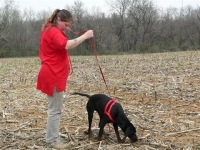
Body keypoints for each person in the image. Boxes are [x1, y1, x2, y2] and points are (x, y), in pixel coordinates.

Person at [36, 9, 93, 149]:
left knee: (54, 108)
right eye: (66, 25)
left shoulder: (50, 28)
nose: (68, 28)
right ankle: (52, 141)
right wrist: (85, 36)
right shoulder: (53, 31)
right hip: (53, 75)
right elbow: (68, 45)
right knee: (55, 110)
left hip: (53, 74)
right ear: (59, 20)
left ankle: (52, 137)